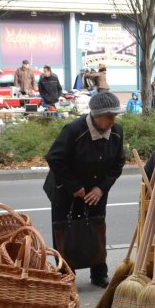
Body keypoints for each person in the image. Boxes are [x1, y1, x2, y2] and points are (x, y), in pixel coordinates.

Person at [43, 91, 126, 288]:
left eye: (115, 115)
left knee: (96, 228)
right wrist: (74, 187)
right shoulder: (74, 130)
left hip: (96, 191)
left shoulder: (117, 132)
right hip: (66, 189)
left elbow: (118, 163)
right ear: (97, 115)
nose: (113, 120)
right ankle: (65, 275)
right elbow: (54, 158)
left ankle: (99, 274)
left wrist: (101, 188)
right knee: (65, 229)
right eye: (109, 116)